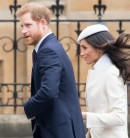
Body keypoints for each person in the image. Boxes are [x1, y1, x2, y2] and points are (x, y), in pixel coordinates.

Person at [16, 2, 85, 138]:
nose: (23, 31)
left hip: (58, 131)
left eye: (28, 25)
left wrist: (28, 107)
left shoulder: (48, 50)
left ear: (42, 23)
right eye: (22, 26)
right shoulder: (47, 47)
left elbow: (48, 91)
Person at [77, 24, 130, 138]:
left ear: (100, 47)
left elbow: (119, 117)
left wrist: (84, 115)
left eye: (85, 47)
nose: (81, 53)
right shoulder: (98, 71)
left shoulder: (111, 73)